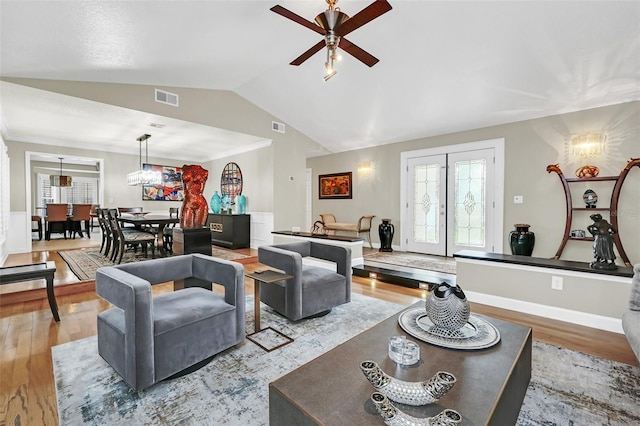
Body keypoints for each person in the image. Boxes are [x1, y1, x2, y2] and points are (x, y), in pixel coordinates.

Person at [180, 164, 209, 229]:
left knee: (198, 230)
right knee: (185, 228)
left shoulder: (204, 172)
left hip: (200, 202)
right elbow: (184, 188)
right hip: (189, 201)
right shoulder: (185, 169)